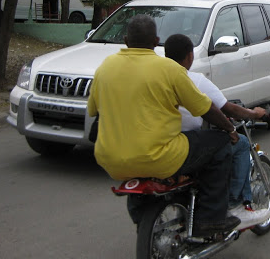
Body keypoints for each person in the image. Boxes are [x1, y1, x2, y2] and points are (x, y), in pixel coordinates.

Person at [87, 15, 241, 237]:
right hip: (160, 156)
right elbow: (205, 109)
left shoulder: (105, 68)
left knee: (142, 164)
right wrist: (230, 129)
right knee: (219, 143)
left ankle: (146, 219)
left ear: (126, 40)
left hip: (111, 160)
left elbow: (94, 110)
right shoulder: (169, 69)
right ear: (156, 41)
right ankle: (210, 218)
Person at [163, 34, 270, 229]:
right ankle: (234, 205)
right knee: (240, 144)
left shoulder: (157, 77)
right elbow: (224, 108)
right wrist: (253, 114)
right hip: (185, 144)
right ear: (189, 56)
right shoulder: (193, 80)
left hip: (160, 142)